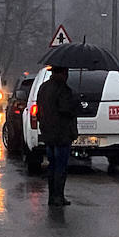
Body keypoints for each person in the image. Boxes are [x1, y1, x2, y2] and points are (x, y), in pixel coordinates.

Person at [36, 65, 78, 207]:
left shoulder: (43, 88)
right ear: (63, 73)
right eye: (66, 73)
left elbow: (39, 110)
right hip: (62, 133)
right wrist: (75, 102)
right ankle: (58, 196)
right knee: (60, 166)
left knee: (52, 165)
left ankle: (52, 196)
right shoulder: (63, 90)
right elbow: (66, 109)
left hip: (48, 133)